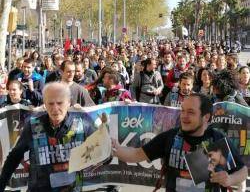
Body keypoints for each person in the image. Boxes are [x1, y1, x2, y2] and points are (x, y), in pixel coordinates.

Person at [112, 94, 248, 192]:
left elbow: (243, 171)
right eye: (182, 111)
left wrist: (229, 179)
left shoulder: (217, 139)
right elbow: (136, 154)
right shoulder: (170, 137)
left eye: (190, 112)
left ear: (206, 117)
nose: (184, 116)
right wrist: (114, 148)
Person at [0, 82, 96, 192]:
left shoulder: (84, 124)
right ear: (44, 104)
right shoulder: (33, 126)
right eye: (50, 103)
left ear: (69, 103)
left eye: (60, 103)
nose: (55, 108)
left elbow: (104, 153)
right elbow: (14, 157)